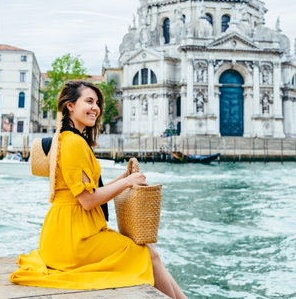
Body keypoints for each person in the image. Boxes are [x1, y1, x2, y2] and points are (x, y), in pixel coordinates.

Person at [10, 79, 187, 299]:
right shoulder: (73, 143)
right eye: (89, 101)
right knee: (147, 254)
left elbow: (90, 191)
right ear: (70, 106)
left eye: (97, 103)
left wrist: (123, 177)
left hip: (67, 232)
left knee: (149, 253)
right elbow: (88, 200)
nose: (96, 108)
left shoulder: (71, 138)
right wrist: (127, 183)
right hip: (74, 239)